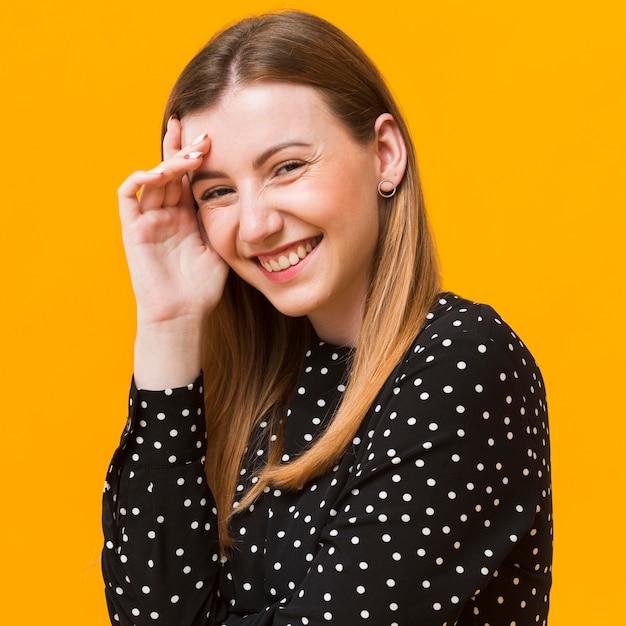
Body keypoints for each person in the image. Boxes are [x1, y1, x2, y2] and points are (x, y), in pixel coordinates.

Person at [102, 10, 552, 625]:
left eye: (286, 167)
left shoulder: (464, 364)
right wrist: (168, 322)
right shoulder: (256, 386)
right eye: (217, 191)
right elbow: (146, 614)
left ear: (385, 154)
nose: (256, 224)